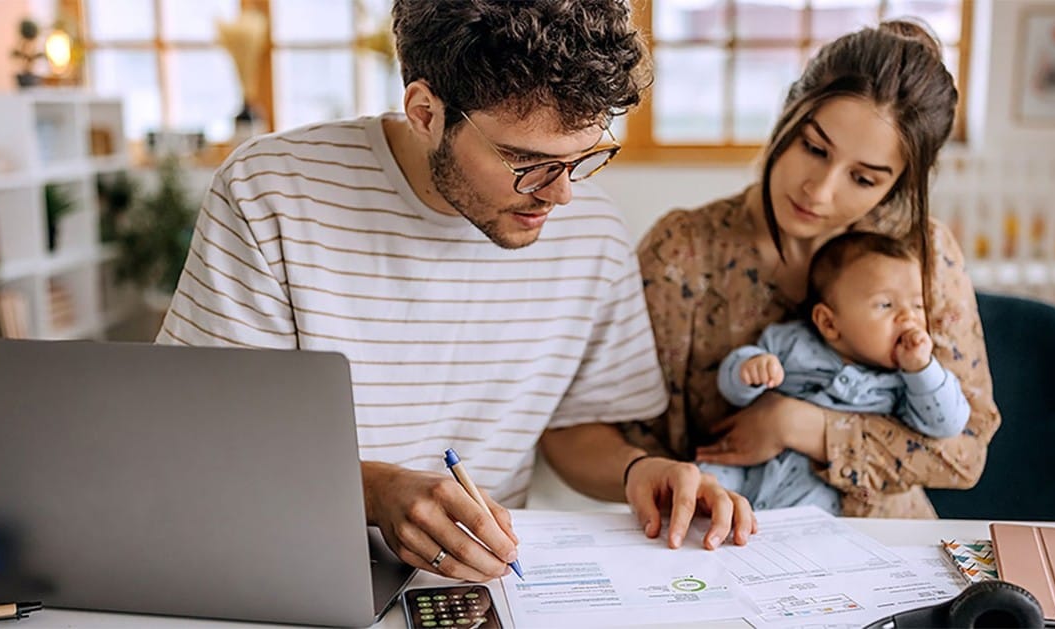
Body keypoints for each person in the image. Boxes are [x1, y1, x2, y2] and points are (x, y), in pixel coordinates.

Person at [156, 0, 756, 584]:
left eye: (583, 158)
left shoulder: (592, 229)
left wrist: (637, 470)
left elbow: (576, 427)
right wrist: (375, 491)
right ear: (425, 112)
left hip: (482, 586)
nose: (560, 195)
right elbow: (206, 436)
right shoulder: (273, 191)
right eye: (527, 161)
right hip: (285, 563)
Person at [620, 19, 1001, 518]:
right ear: (787, 112)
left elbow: (963, 451)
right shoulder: (682, 252)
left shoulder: (924, 254)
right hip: (721, 541)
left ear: (899, 183)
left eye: (863, 178)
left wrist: (798, 425)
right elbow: (627, 438)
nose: (819, 191)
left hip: (884, 551)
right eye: (814, 149)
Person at [707, 231, 971, 513]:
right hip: (749, 468)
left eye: (918, 305)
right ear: (829, 323)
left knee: (811, 523)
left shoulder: (905, 382)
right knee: (705, 481)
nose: (909, 317)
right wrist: (748, 370)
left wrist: (921, 368)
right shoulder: (792, 342)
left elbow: (947, 424)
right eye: (886, 304)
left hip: (815, 488)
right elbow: (733, 392)